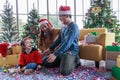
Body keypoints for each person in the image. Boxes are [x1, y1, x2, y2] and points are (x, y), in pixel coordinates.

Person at [42, 5, 81, 75]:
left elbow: (67, 43)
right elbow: (59, 40)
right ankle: (63, 61)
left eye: (61, 16)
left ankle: (76, 61)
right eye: (59, 16)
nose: (60, 18)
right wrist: (50, 49)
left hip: (71, 52)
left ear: (67, 15)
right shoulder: (63, 27)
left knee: (64, 71)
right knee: (45, 62)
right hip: (62, 52)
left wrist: (55, 54)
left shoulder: (74, 27)